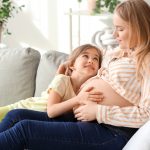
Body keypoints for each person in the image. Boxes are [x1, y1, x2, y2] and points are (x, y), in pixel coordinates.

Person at [0, 0, 150, 149]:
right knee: (15, 116)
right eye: (114, 28)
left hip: (111, 131)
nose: (114, 34)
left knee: (24, 130)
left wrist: (99, 111)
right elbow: (88, 55)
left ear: (138, 27)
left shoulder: (147, 61)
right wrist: (67, 67)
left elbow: (147, 114)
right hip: (84, 120)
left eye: (120, 29)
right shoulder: (118, 52)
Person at [0, 44, 102, 122]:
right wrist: (78, 99)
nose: (91, 61)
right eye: (85, 56)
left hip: (31, 121)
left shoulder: (86, 90)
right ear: (72, 65)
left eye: (95, 58)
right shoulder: (62, 80)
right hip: (17, 110)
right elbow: (51, 111)